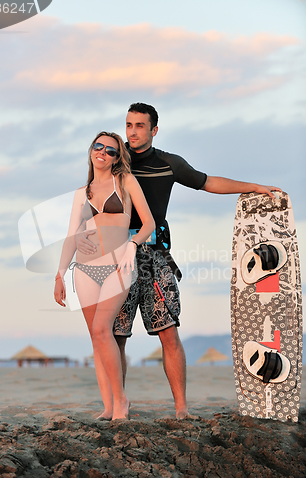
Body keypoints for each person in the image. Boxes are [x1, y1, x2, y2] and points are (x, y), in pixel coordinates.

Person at [78, 104, 281, 419]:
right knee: (114, 334)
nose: (132, 131)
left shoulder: (168, 163)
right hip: (116, 258)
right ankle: (117, 405)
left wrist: (253, 186)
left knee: (167, 330)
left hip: (154, 257)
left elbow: (207, 181)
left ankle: (181, 409)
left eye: (140, 126)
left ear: (153, 130)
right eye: (129, 125)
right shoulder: (116, 160)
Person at [54, 131, 155, 420]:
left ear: (117, 158)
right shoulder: (80, 193)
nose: (103, 152)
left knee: (102, 329)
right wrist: (60, 274)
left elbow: (148, 223)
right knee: (96, 337)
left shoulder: (125, 182)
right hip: (85, 268)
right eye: (98, 147)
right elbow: (72, 236)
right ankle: (108, 406)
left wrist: (132, 246)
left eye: (111, 150)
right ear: (91, 151)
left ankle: (121, 401)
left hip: (118, 265)